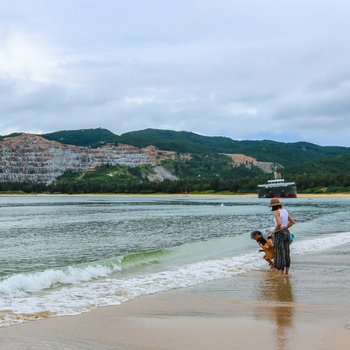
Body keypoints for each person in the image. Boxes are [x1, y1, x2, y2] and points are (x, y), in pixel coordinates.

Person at [269, 198, 295, 275]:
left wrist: (274, 231)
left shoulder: (277, 212)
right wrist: (286, 227)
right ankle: (286, 272)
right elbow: (292, 222)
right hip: (287, 233)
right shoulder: (285, 211)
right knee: (287, 252)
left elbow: (279, 223)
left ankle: (281, 273)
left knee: (280, 253)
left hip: (279, 234)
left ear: (273, 206)